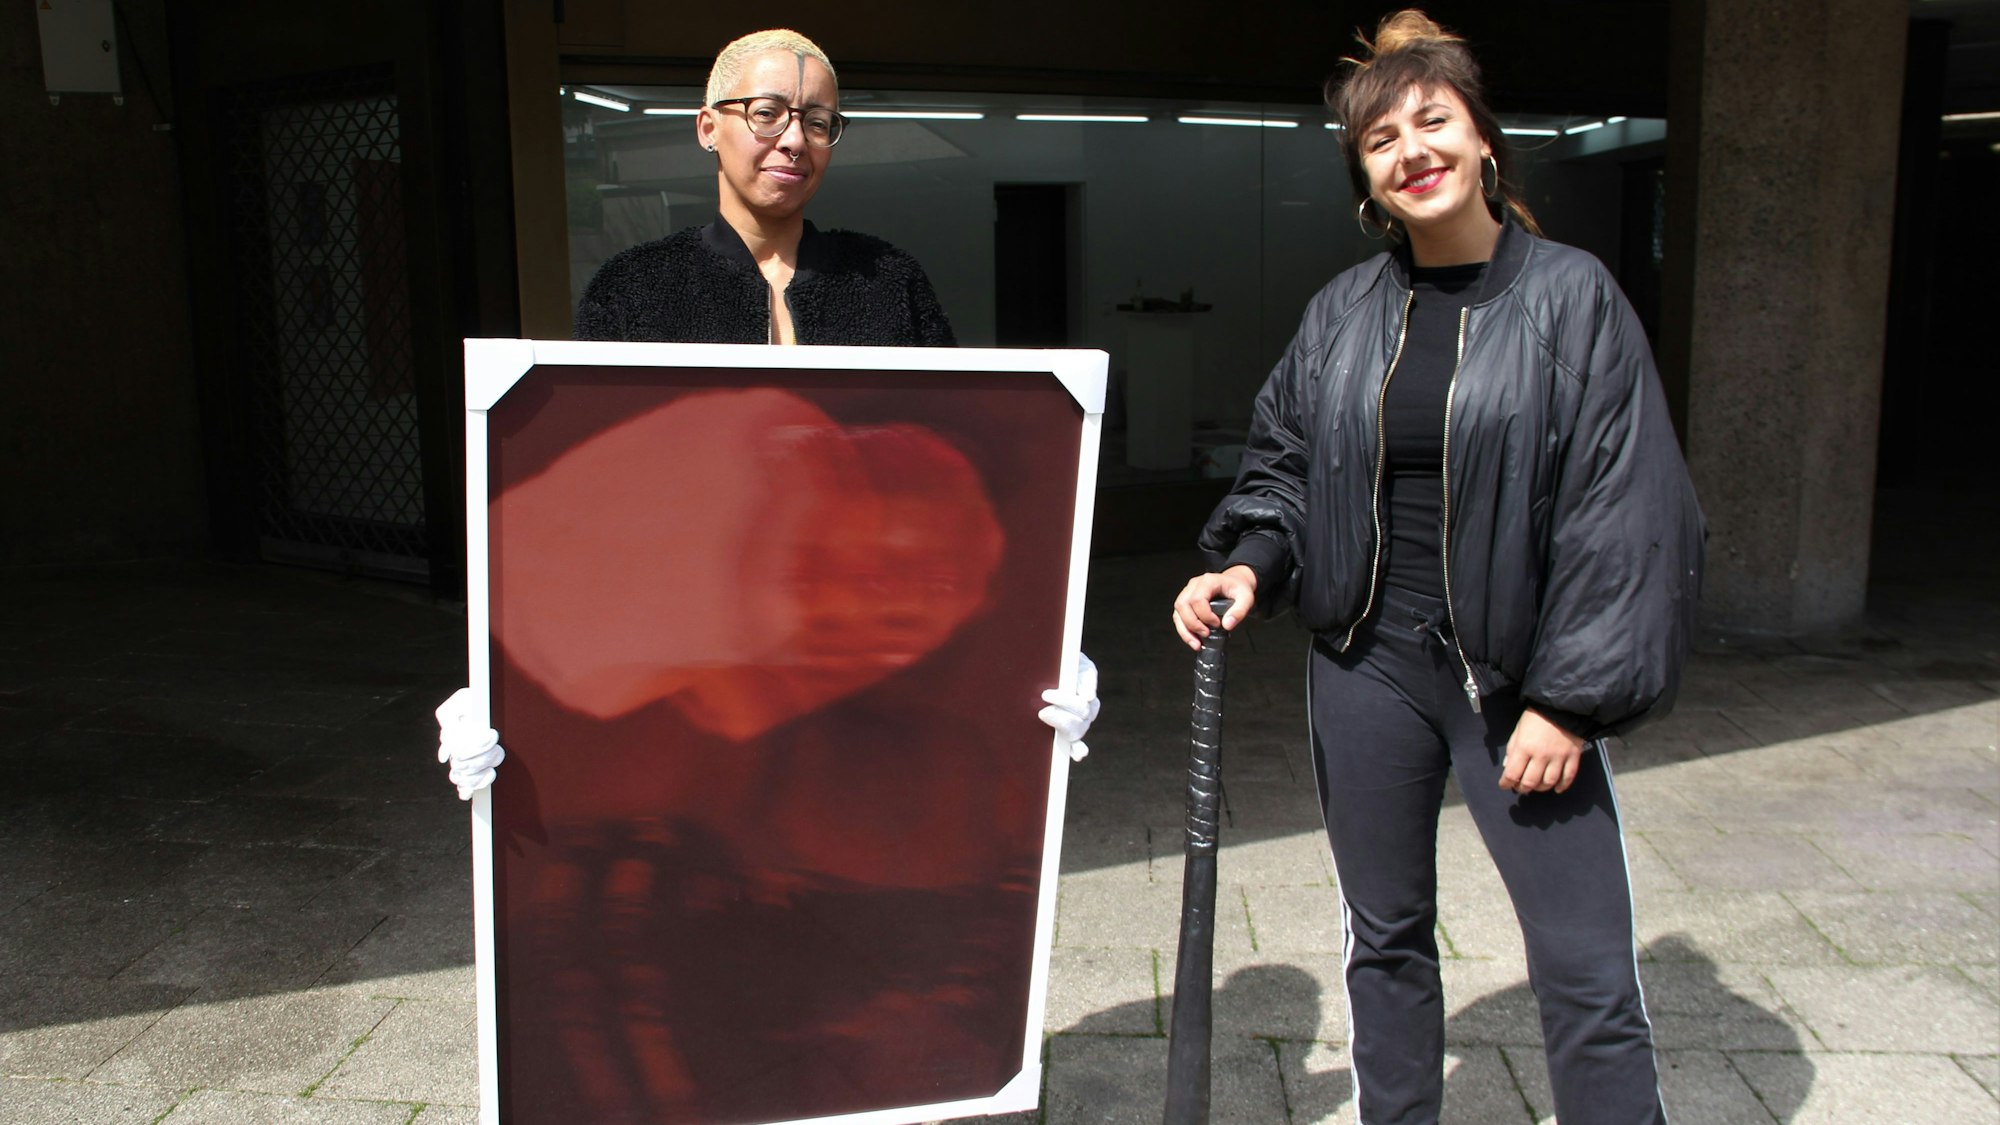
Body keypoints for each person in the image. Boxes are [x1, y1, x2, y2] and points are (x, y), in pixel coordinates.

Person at [1171, 11, 1703, 1125]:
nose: (1411, 152)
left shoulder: (1570, 298)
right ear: (1364, 177)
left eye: (1432, 123)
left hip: (1511, 684)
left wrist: (1566, 701)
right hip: (1364, 670)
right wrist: (1251, 566)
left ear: (1482, 141)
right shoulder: (1342, 311)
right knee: (1385, 941)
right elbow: (1285, 461)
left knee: (1585, 971)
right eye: (1380, 140)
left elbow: (1626, 509)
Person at [570, 28, 955, 347]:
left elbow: (946, 425)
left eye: (818, 123)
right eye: (767, 114)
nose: (796, 141)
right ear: (709, 128)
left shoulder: (887, 280)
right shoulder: (634, 286)